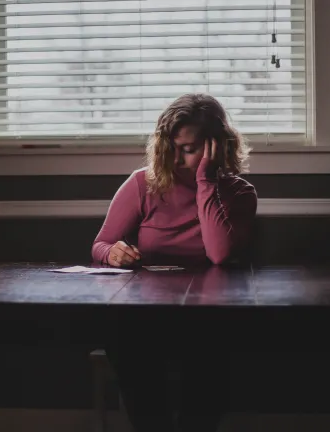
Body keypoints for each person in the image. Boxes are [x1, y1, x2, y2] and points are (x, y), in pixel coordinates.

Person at [91, 93, 258, 432]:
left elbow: (219, 254)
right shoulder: (143, 183)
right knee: (125, 337)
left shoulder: (240, 193)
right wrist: (113, 253)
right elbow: (101, 244)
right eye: (173, 147)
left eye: (189, 149)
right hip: (148, 311)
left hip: (208, 312)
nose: (178, 158)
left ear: (217, 146)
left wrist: (206, 182)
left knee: (210, 347)